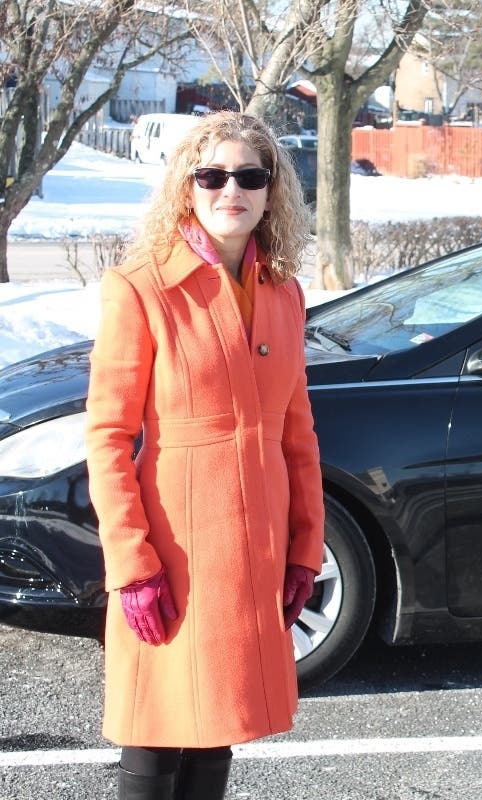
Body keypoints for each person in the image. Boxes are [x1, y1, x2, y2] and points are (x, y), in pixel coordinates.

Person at [85, 111, 324, 800]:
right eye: (212, 175)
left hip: (255, 548)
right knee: (157, 726)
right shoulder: (141, 287)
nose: (231, 191)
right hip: (175, 546)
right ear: (186, 187)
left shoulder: (283, 292)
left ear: (273, 190)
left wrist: (305, 549)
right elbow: (106, 436)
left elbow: (298, 435)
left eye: (250, 176)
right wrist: (132, 564)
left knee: (220, 721)